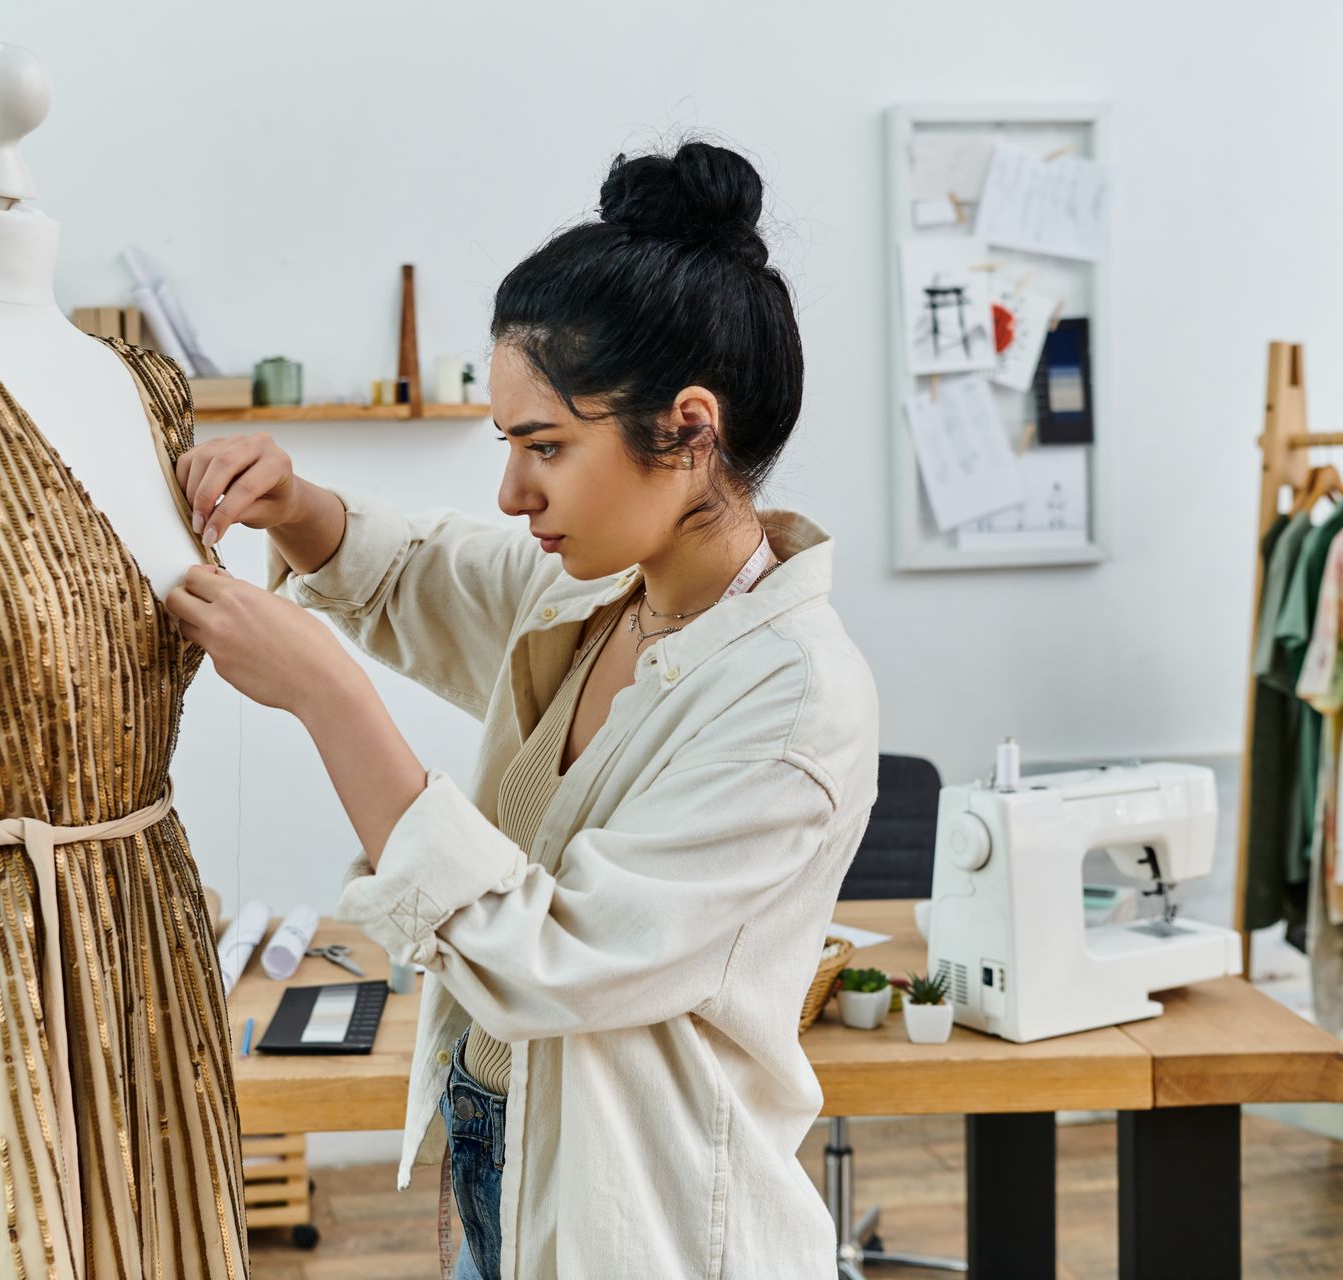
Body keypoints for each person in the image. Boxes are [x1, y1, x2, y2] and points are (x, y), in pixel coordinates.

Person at [163, 139, 878, 1280]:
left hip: (646, 1232)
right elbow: (418, 573)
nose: (512, 490)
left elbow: (550, 956)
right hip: (504, 1158)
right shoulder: (609, 594)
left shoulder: (793, 698)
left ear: (689, 430)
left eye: (545, 446)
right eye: (509, 444)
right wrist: (294, 506)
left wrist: (328, 697)